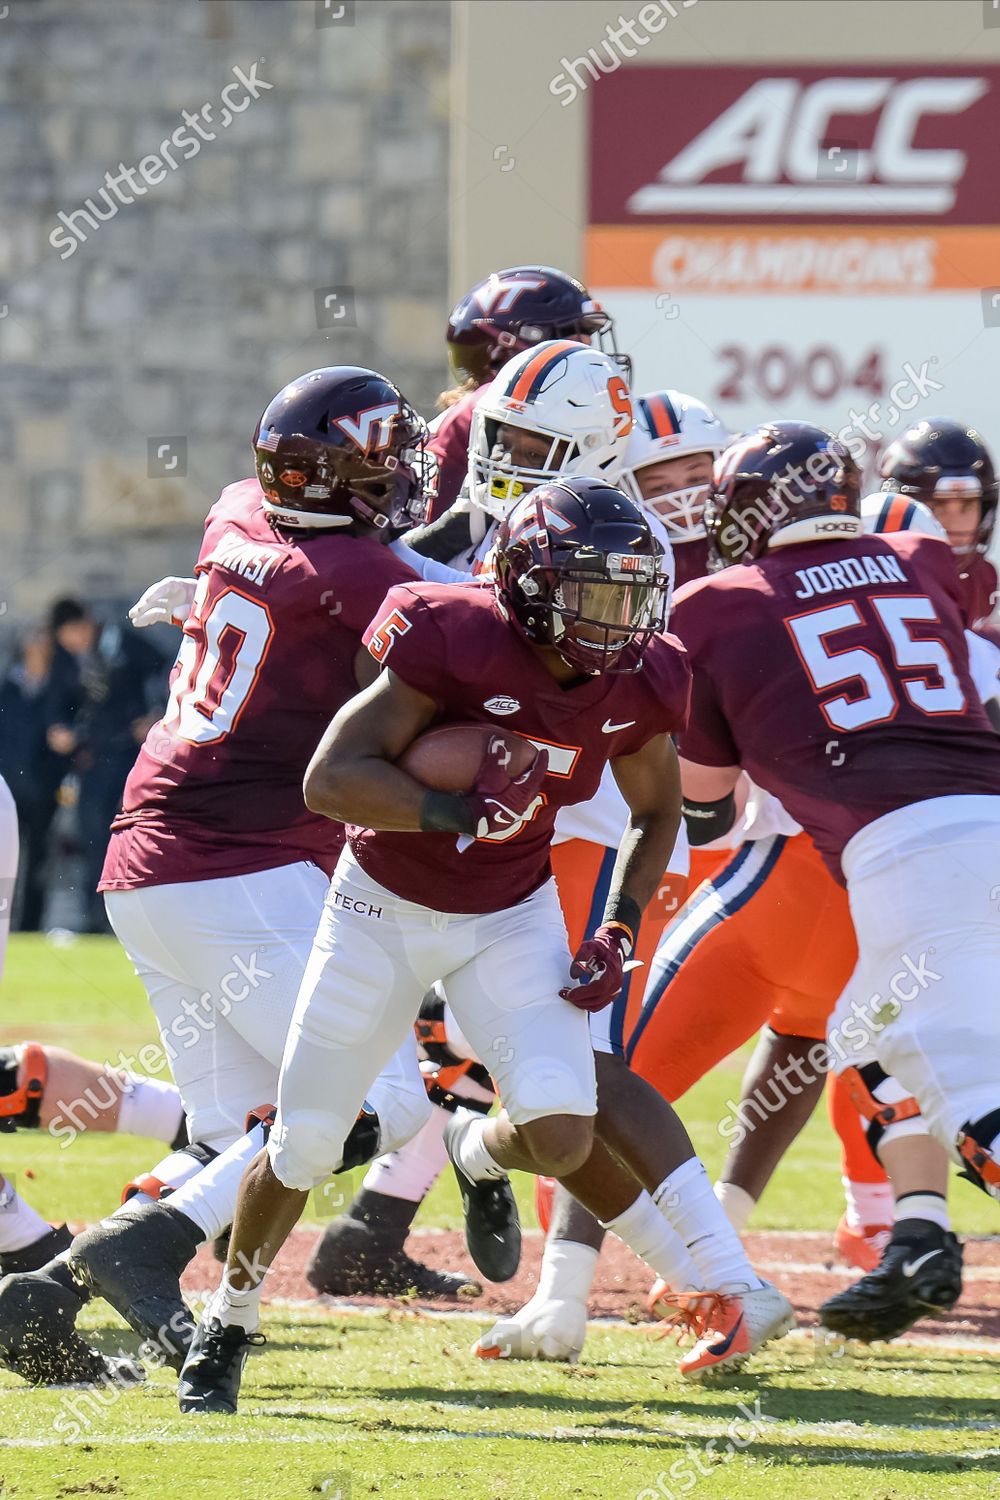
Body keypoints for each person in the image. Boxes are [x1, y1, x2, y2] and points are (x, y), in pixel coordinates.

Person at [178, 475, 792, 1414]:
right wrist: (452, 809)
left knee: (561, 1119)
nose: (617, 617)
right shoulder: (450, 634)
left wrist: (618, 926)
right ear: (531, 585)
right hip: (378, 911)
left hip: (511, 911)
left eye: (632, 593)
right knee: (304, 1144)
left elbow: (659, 808)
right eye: (594, 591)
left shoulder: (643, 675)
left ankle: (703, 1283)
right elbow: (330, 778)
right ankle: (230, 1316)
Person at [0, 366, 441, 1388]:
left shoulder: (235, 512)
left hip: (145, 870)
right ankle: (142, 1249)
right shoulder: (362, 579)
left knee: (240, 1131)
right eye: (380, 463)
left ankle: (51, 1293)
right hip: (240, 868)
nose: (398, 479)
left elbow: (327, 578)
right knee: (385, 1101)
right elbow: (447, 614)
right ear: (337, 474)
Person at [671, 419, 1000, 1344]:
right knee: (866, 1027)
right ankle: (922, 1238)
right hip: (986, 817)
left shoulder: (714, 605)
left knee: (967, 1080)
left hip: (906, 853)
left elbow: (706, 812)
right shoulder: (917, 556)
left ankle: (921, 1237)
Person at [427, 266, 626, 518]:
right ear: (510, 347)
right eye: (575, 339)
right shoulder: (484, 407)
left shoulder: (470, 409)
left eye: (587, 339)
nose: (588, 351)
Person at [43, 597, 169, 932]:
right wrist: (59, 729)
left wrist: (157, 716)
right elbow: (57, 702)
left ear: (88, 622)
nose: (75, 643)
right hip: (94, 757)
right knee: (91, 831)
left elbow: (167, 673)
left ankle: (133, 915)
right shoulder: (67, 661)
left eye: (77, 633)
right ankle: (94, 914)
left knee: (133, 830)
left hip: (132, 752)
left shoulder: (127, 645)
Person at [878, 416, 997, 628]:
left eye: (967, 506)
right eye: (936, 507)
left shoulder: (986, 581)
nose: (954, 524)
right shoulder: (871, 575)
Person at [619, 389, 729, 590]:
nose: (683, 500)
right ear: (627, 489)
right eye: (660, 487)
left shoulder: (753, 538)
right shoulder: (623, 560)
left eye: (696, 479)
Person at [0, 629, 62, 930]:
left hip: (43, 788)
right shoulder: (7, 688)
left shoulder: (58, 689)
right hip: (8, 785)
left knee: (38, 858)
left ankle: (29, 925)